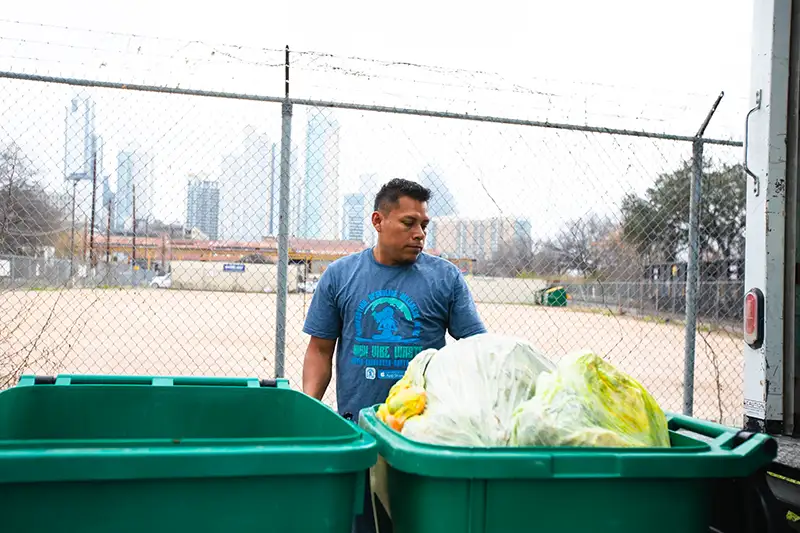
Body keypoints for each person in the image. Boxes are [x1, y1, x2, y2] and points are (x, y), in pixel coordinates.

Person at [301, 178, 487, 533]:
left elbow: (477, 348)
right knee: (362, 524)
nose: (419, 234)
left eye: (424, 225)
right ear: (377, 221)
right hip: (360, 434)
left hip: (423, 437)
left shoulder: (444, 278)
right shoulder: (340, 276)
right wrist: (311, 409)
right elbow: (320, 350)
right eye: (408, 223)